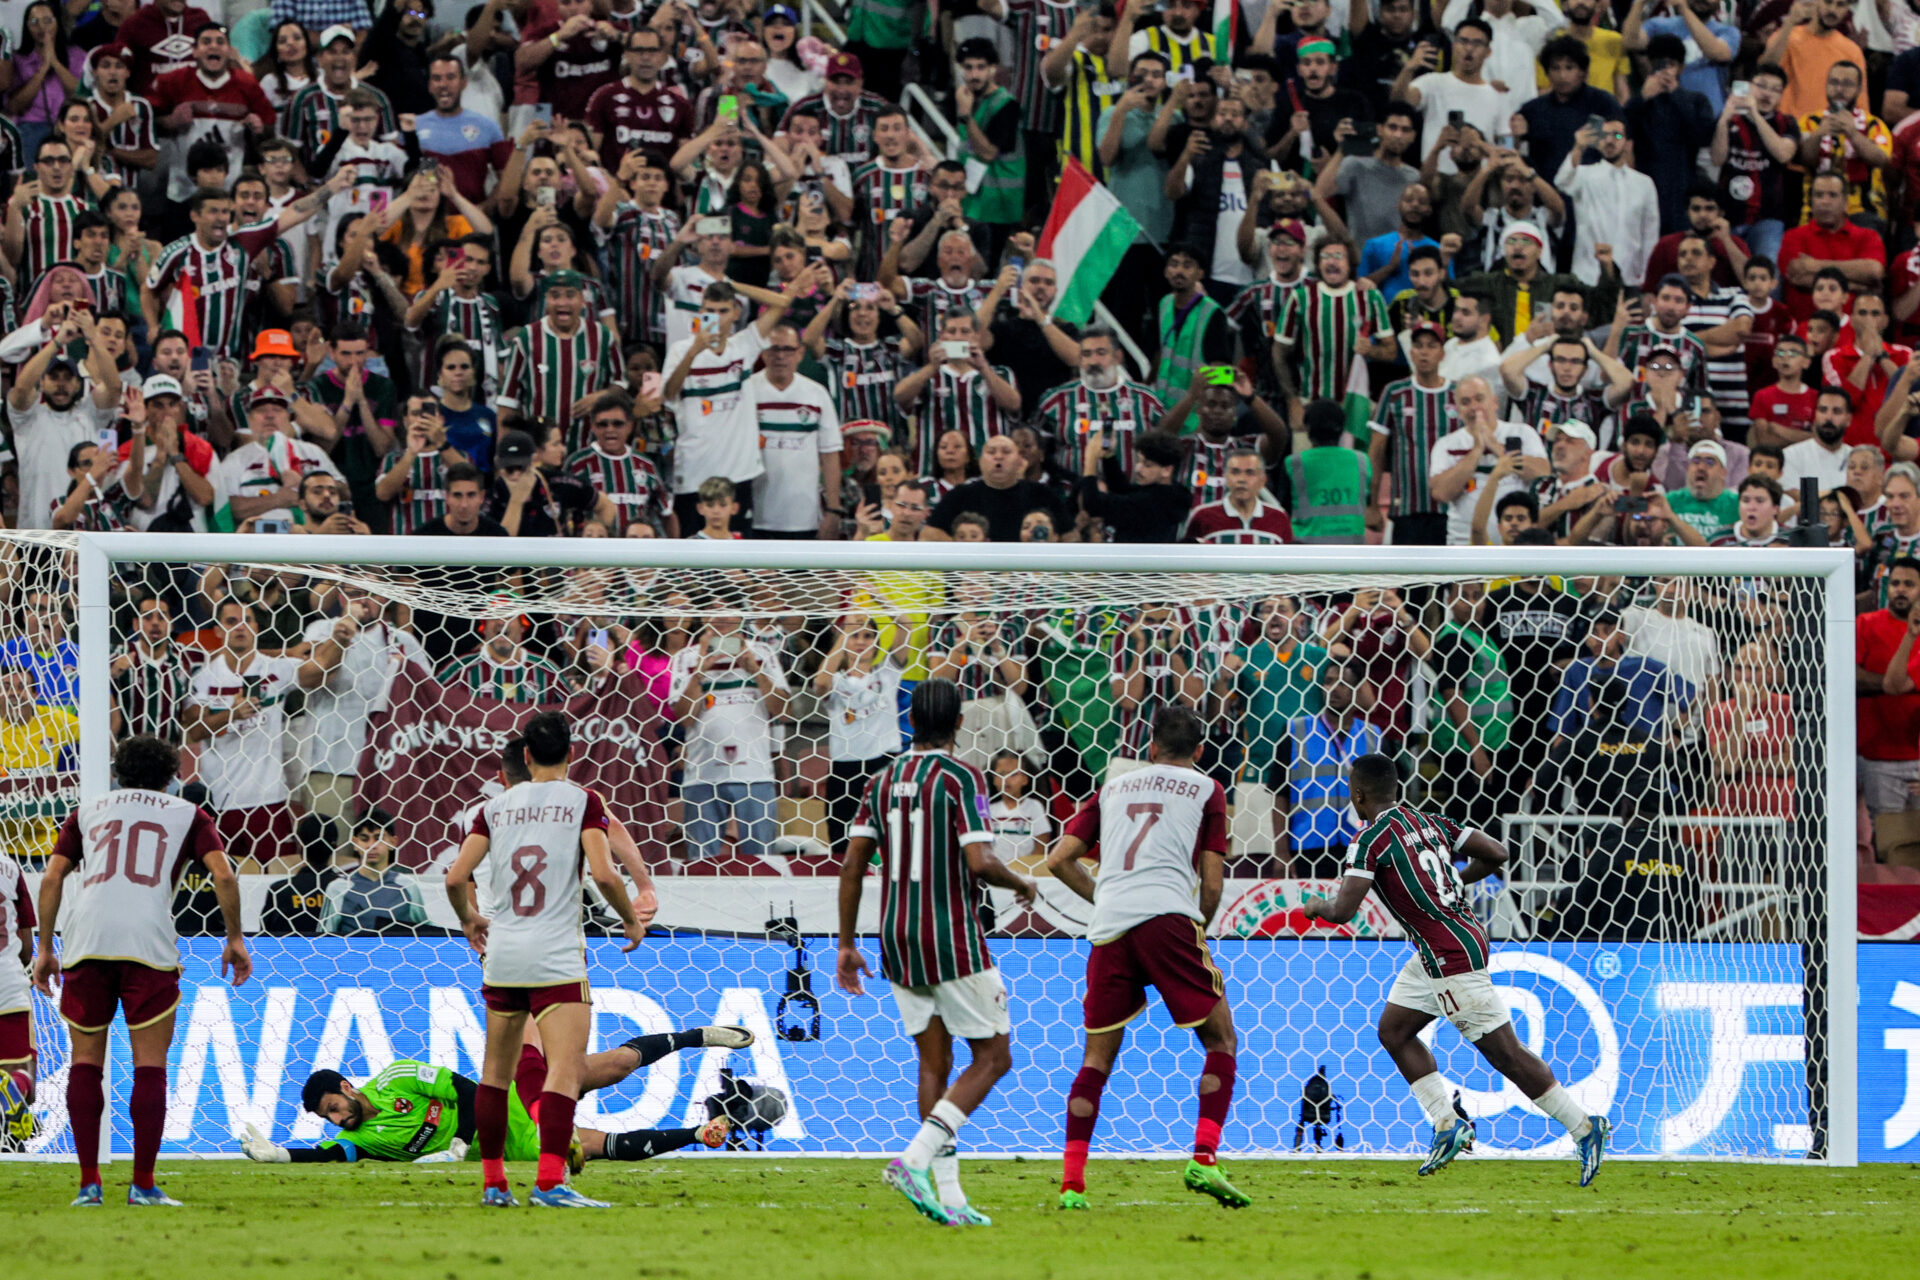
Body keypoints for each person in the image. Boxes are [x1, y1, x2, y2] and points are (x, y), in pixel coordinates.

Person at [1303, 754, 1609, 1186]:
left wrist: (1316, 907)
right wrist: (1454, 882)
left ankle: (1583, 1126)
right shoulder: (1429, 822)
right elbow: (1498, 852)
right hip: (1453, 939)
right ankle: (1448, 1125)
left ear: (1357, 795)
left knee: (1505, 1053)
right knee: (1394, 1030)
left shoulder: (1371, 840)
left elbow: (1344, 910)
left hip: (1448, 954)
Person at [836, 678, 1039, 1226]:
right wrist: (1020, 882)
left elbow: (853, 864)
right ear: (958, 725)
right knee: (995, 1057)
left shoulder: (879, 781)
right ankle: (915, 1160)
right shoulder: (962, 777)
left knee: (935, 1060)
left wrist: (848, 944)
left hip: (894, 936)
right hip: (949, 935)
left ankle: (949, 1199)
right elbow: (979, 862)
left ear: (910, 723)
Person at [1042, 703, 1247, 1211]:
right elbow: (1214, 881)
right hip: (1167, 918)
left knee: (1096, 1059)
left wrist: (1107, 897)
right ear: (1199, 752)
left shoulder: (1113, 787)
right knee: (1221, 1036)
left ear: (1150, 747)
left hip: (1110, 925)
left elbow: (1058, 859)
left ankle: (1071, 1185)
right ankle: (1203, 1157)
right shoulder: (1208, 788)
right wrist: (1192, 921)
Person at [32, 733, 250, 1206]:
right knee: (149, 1066)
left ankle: (89, 1184)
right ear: (171, 776)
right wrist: (234, 938)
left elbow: (51, 876)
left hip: (87, 940)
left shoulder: (88, 810)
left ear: (119, 772)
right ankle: (143, 1185)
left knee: (85, 1063)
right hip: (147, 943)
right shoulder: (188, 814)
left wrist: (45, 946)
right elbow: (225, 874)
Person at [443, 713, 647, 1209]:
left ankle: (494, 1185)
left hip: (504, 952)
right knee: (564, 1071)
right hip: (556, 954)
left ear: (526, 757)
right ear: (571, 754)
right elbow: (603, 873)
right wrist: (630, 920)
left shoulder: (494, 808)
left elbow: (453, 878)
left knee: (495, 1074)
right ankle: (552, 1184)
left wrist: (470, 918)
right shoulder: (584, 801)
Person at [248, 1031, 740, 1166]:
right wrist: (281, 1156)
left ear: (348, 1088)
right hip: (507, 1144)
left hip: (507, 1101)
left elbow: (464, 1088)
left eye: (334, 1108)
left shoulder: (397, 1076)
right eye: (328, 1119)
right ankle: (697, 1133)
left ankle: (696, 1036)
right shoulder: (365, 1138)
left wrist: (459, 1140)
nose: (337, 1121)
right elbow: (330, 1156)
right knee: (592, 1146)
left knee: (613, 1066)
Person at [183, 596, 349, 868]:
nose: (240, 627)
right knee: (223, 883)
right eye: (231, 621)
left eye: (247, 621)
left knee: (278, 877)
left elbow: (320, 670)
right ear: (218, 631)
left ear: (257, 628)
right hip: (219, 801)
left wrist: (341, 640)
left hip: (268, 801)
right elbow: (195, 730)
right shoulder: (204, 678)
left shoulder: (276, 669)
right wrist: (232, 714)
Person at [669, 613, 790, 860]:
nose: (721, 618)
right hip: (702, 775)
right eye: (714, 612)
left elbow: (783, 710)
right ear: (703, 619)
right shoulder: (686, 657)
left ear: (741, 616)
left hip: (755, 774)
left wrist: (755, 671)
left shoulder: (763, 652)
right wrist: (700, 671)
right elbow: (684, 717)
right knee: (702, 865)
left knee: (762, 863)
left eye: (728, 611)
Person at [750, 320, 842, 539]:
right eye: (774, 349)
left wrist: (834, 509)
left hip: (804, 516)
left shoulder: (817, 394)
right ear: (763, 353)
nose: (780, 356)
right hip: (755, 514)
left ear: (800, 353)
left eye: (787, 350)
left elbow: (830, 455)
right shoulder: (748, 391)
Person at [1858, 557, 1920, 864]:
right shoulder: (1866, 624)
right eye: (1895, 583)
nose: (1900, 590)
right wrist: (1894, 684)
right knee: (1889, 847)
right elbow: (1849, 676)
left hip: (1918, 755)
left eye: (1909, 584)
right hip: (1878, 755)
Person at [1554, 118, 1659, 290]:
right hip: (1588, 275)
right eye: (1604, 136)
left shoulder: (1644, 184)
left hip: (1630, 278)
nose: (1610, 140)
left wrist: (1648, 282)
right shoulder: (1584, 175)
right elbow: (1561, 181)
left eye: (1617, 135)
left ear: (1627, 143)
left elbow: (1650, 236)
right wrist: (1578, 147)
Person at [928, 435, 1061, 543]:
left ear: (1019, 461)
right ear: (980, 461)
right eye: (991, 452)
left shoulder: (1042, 494)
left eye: (1006, 452)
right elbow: (928, 534)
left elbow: (1070, 536)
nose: (998, 456)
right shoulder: (959, 495)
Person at [1287, 398, 1372, 543]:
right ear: (1343, 427)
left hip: (1307, 552)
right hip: (1353, 550)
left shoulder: (1295, 463)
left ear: (1308, 428)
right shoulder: (1362, 460)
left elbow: (1284, 509)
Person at [1184, 446, 1294, 545]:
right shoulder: (1203, 516)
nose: (1242, 479)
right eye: (1235, 472)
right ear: (1226, 477)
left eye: (1250, 473)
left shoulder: (1279, 517)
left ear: (1263, 480)